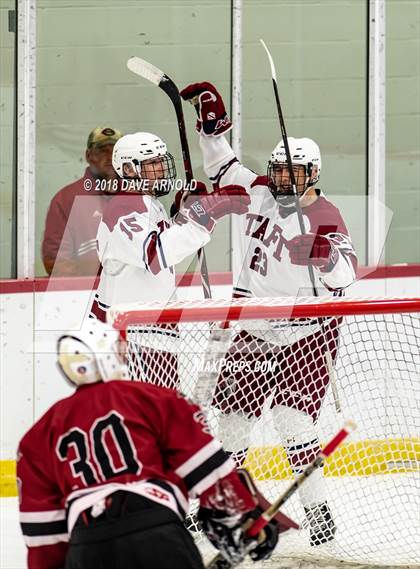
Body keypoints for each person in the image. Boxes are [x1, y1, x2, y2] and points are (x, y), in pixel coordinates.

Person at [179, 82, 358, 547]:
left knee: (293, 422)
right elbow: (223, 166)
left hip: (307, 330)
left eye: (293, 174)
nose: (282, 180)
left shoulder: (327, 214)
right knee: (233, 423)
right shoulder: (260, 192)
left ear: (313, 173)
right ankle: (220, 507)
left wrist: (324, 255)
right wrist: (213, 127)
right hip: (253, 325)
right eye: (277, 171)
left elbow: (346, 273)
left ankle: (318, 512)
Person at [17, 319, 287, 569]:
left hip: (88, 545)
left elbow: (42, 531)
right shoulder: (155, 398)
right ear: (111, 355)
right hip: (157, 533)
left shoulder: (38, 436)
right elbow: (206, 467)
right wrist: (239, 521)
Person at [41, 126, 123, 276]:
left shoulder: (138, 197)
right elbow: (53, 261)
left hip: (130, 295)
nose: (110, 156)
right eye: (102, 150)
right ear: (88, 155)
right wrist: (99, 282)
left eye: (116, 151)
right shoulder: (66, 199)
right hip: (85, 296)